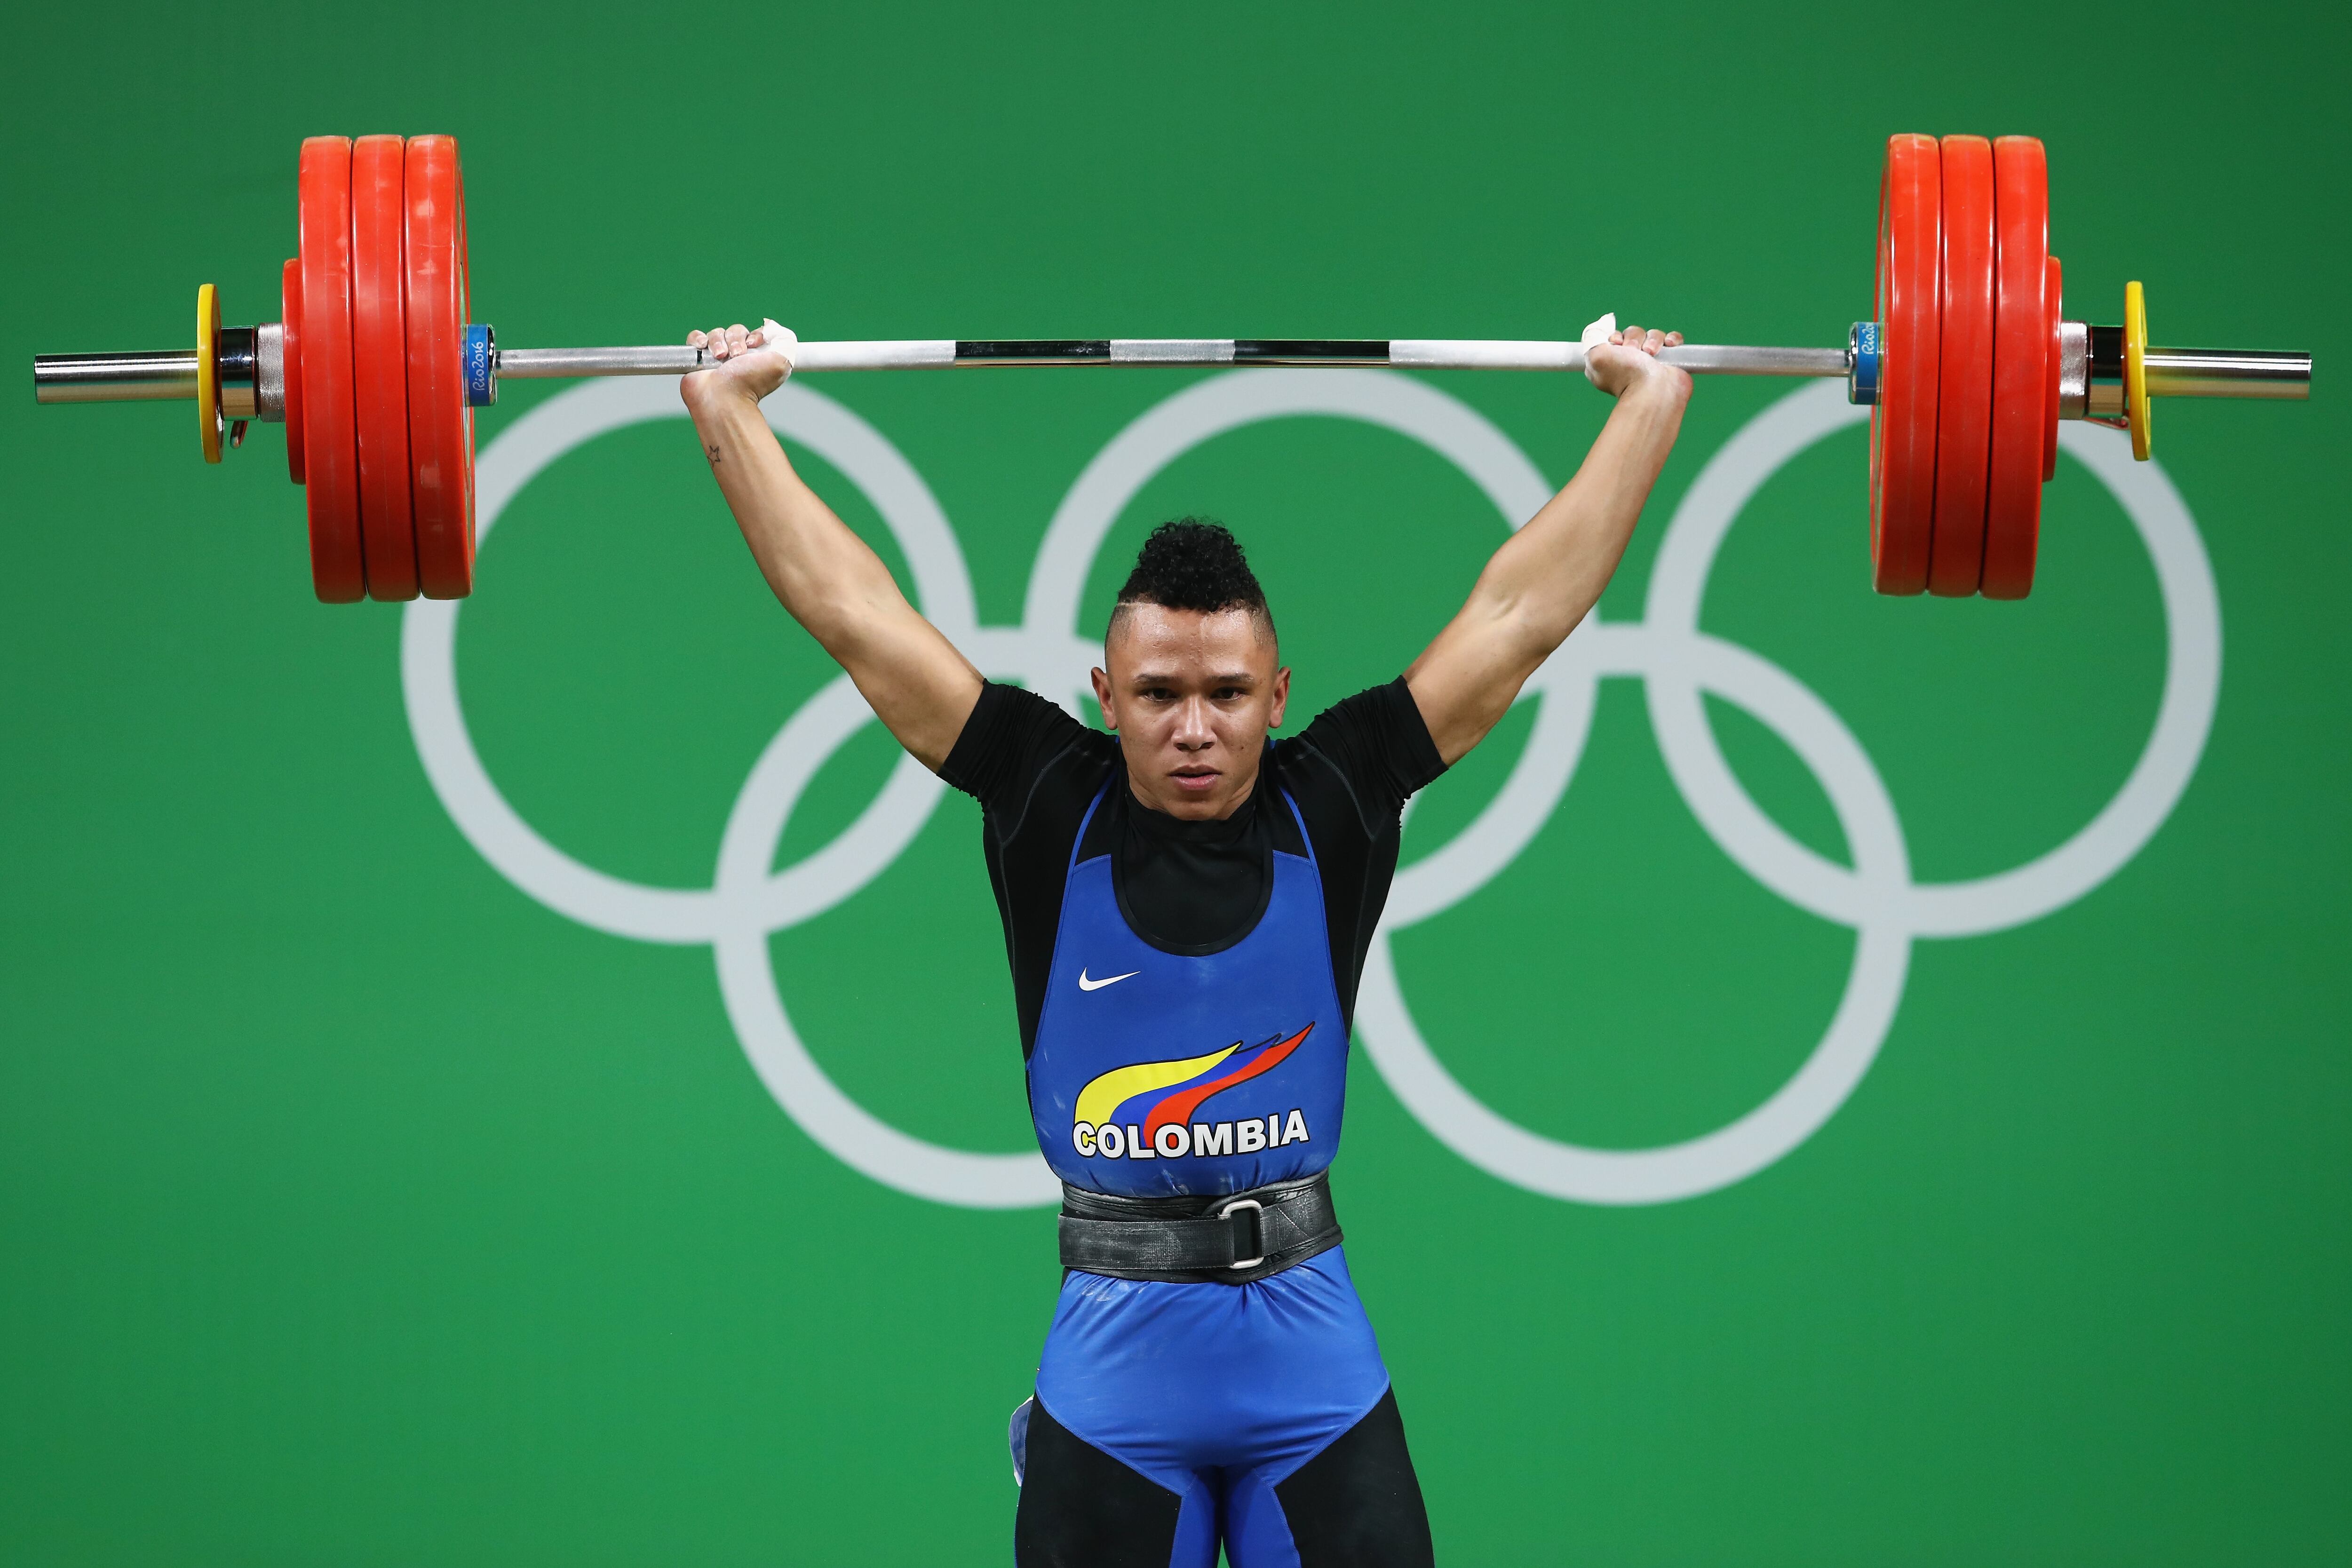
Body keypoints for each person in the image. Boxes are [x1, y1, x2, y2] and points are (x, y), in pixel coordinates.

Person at [680, 318, 1690, 1568]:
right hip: (1116, 1372)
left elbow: (1524, 610)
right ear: (1107, 696)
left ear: (1278, 692)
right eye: (1160, 695)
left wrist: (1646, 406)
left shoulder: (1337, 793)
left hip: (1311, 1364)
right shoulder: (1048, 796)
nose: (1195, 727)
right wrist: (731, 414)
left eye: (1225, 694)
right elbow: (853, 613)